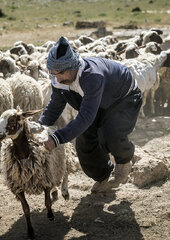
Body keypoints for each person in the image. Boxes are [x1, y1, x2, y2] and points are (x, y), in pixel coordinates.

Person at [39, 36, 142, 193]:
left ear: (73, 66)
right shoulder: (59, 80)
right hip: (97, 102)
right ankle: (103, 176)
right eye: (53, 73)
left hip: (122, 98)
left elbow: (86, 116)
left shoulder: (92, 76)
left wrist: (57, 138)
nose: (57, 78)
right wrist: (39, 129)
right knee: (85, 142)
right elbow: (54, 106)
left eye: (60, 72)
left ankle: (124, 161)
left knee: (111, 133)